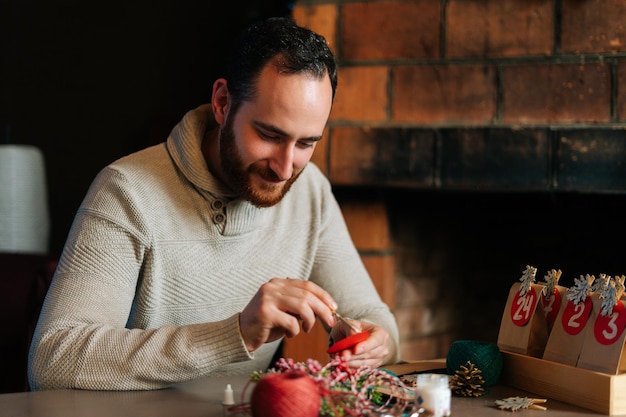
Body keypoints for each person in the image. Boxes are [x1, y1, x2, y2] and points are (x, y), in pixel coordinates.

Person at [28, 16, 400, 391]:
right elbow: (53, 359)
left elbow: (374, 318)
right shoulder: (127, 191)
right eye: (270, 135)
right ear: (222, 103)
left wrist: (374, 340)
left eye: (306, 143)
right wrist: (234, 333)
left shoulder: (310, 191)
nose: (285, 168)